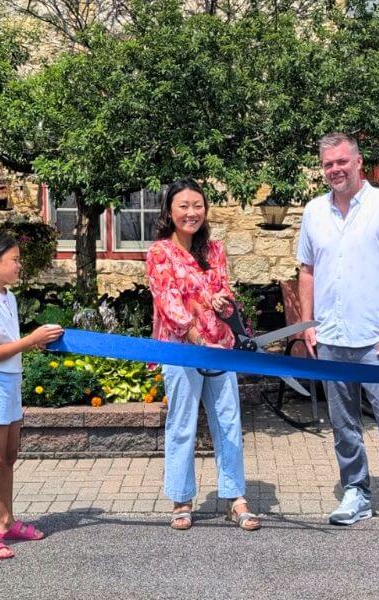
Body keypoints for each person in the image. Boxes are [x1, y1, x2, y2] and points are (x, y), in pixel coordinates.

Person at [297, 132, 379, 548]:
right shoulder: (314, 211)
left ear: (358, 162)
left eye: (342, 162)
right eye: (327, 164)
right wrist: (307, 324)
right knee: (343, 424)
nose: (335, 169)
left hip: (377, 340)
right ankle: (356, 493)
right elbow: (307, 270)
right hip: (331, 338)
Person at [146, 178, 260, 532]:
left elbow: (222, 287)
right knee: (182, 424)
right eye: (184, 206)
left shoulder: (215, 250)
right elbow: (168, 303)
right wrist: (196, 336)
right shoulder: (159, 253)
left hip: (220, 348)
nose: (191, 212)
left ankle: (235, 497)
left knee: (228, 422)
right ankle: (181, 499)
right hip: (182, 349)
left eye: (198, 205)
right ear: (169, 211)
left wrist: (221, 301)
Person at [0, 233, 64, 559]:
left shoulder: (7, 297)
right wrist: (32, 339)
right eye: (14, 260)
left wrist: (37, 341)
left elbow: (9, 345)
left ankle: (6, 522)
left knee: (9, 457)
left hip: (10, 383)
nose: (19, 265)